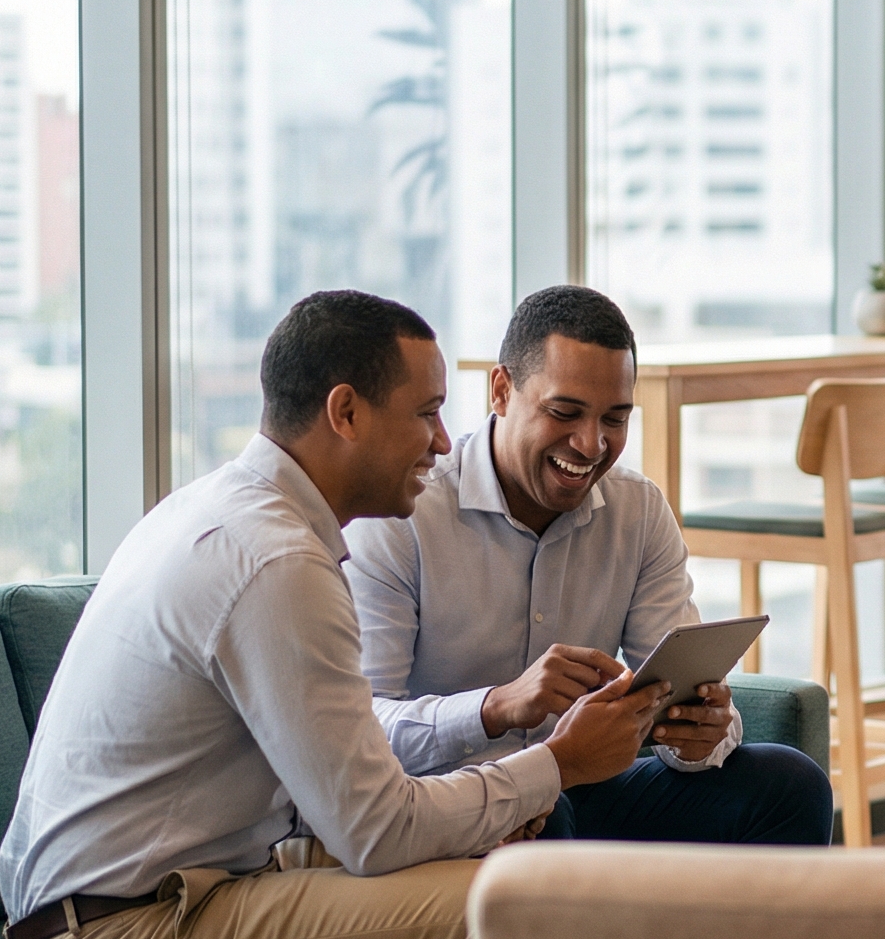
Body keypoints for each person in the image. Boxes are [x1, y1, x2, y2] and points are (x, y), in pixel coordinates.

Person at [0, 291, 664, 939]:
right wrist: (555, 765)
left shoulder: (224, 511)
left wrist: (496, 803)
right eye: (425, 414)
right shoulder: (277, 564)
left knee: (494, 864)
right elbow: (377, 831)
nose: (443, 442)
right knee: (505, 913)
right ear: (345, 412)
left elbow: (339, 799)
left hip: (129, 905)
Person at [346, 285, 832, 850]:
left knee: (791, 785)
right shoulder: (403, 513)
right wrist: (495, 706)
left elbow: (684, 691)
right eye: (565, 413)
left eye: (615, 419)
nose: (591, 444)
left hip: (586, 786)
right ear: (500, 390)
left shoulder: (637, 510)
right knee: (545, 820)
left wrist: (703, 734)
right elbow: (362, 729)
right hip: (461, 798)